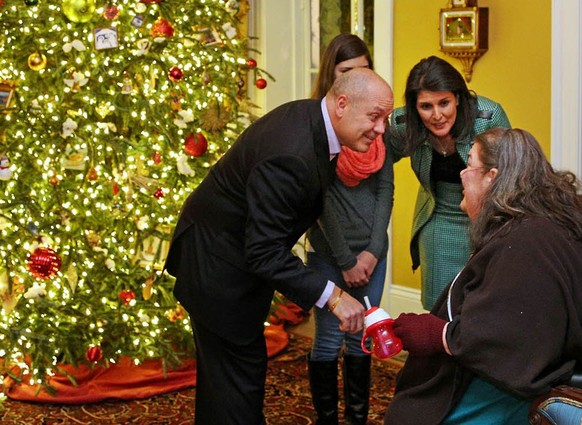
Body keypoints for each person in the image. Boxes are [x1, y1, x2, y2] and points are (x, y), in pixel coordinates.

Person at [164, 67, 394, 425]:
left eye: (387, 117)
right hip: (217, 267)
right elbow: (263, 252)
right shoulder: (293, 154)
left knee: (227, 384)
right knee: (237, 390)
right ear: (342, 105)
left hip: (228, 259)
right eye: (375, 117)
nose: (381, 129)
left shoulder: (314, 120)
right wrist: (333, 297)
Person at [384, 127, 582, 425]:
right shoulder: (541, 224)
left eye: (470, 164)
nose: (462, 175)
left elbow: (502, 336)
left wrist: (435, 334)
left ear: (492, 177)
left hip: (505, 388)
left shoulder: (526, 241)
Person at [305, 33, 395, 425]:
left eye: (363, 69)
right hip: (329, 256)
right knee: (327, 339)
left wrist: (373, 251)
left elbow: (386, 189)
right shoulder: (319, 129)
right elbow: (316, 203)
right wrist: (344, 260)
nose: (357, 78)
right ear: (333, 77)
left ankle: (357, 417)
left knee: (363, 339)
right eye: (347, 71)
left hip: (372, 255)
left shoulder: (377, 127)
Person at [388, 56, 511, 310]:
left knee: (482, 307)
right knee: (440, 309)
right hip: (438, 222)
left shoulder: (487, 118)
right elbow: (374, 159)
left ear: (458, 97)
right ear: (414, 107)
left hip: (486, 222)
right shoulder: (404, 123)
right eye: (426, 106)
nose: (437, 115)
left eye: (444, 103)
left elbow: (511, 175)